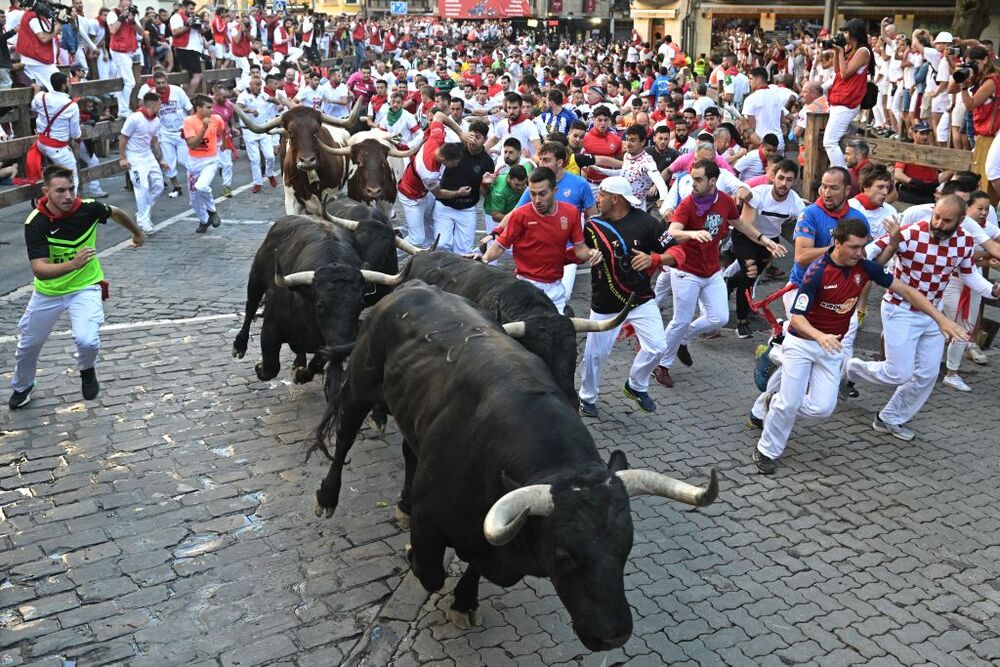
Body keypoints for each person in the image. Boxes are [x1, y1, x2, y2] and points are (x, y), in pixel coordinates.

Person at [748, 217, 967, 474]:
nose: (860, 253)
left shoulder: (866, 267)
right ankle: (766, 451)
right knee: (789, 404)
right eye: (854, 247)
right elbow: (796, 317)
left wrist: (940, 319)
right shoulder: (817, 271)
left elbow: (907, 291)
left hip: (832, 348)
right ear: (836, 244)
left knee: (822, 408)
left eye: (863, 246)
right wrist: (820, 336)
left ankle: (775, 400)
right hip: (803, 343)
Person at [847, 195, 1000, 442]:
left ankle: (890, 418)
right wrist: (867, 251)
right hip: (900, 310)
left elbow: (970, 276)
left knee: (927, 374)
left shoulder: (964, 242)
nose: (938, 224)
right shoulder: (910, 233)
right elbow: (871, 251)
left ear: (961, 220)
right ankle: (848, 369)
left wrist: (992, 290)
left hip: (932, 315)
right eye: (936, 216)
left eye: (946, 220)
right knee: (898, 372)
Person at [9, 165, 144, 410]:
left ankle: (87, 369)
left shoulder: (88, 208)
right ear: (45, 191)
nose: (68, 196)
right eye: (60, 190)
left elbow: (114, 212)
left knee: (87, 340)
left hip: (86, 287)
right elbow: (39, 269)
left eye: (71, 189)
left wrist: (137, 233)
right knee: (29, 343)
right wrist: (73, 264)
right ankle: (23, 385)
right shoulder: (36, 223)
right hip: (48, 292)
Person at [652, 160, 784, 388]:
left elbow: (739, 224)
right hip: (686, 271)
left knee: (719, 318)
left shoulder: (723, 200)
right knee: (680, 320)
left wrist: (765, 241)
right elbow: (674, 231)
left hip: (711, 270)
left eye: (698, 179)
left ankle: (683, 339)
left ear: (712, 181)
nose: (693, 183)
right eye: (692, 178)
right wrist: (693, 234)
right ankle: (661, 364)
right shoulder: (688, 204)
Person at [578, 176, 668, 416]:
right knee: (595, 356)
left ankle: (636, 385)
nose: (598, 199)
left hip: (640, 300)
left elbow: (676, 251)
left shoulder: (648, 223)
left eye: (602, 195)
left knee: (658, 346)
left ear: (615, 198)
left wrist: (655, 259)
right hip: (605, 304)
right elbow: (577, 250)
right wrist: (588, 253)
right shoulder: (592, 226)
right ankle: (587, 398)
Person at [479, 167, 594, 313]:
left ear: (554, 191)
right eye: (532, 194)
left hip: (555, 289)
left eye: (542, 194)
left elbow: (580, 250)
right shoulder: (520, 215)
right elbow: (501, 245)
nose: (537, 200)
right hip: (526, 288)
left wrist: (595, 253)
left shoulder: (571, 213)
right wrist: (484, 259)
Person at [733, 159, 804, 338]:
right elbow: (747, 225)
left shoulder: (796, 203)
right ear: (772, 177)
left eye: (789, 180)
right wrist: (766, 242)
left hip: (770, 240)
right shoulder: (758, 194)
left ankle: (730, 282)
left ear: (794, 181)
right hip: (745, 236)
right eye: (780, 178)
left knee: (751, 277)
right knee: (750, 273)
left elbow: (805, 225)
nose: (783, 183)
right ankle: (741, 321)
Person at [396, 111, 467, 249]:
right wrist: (458, 193)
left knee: (429, 229)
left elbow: (439, 115)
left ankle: (424, 253)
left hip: (423, 192)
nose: (455, 166)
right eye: (454, 163)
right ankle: (391, 256)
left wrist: (461, 133)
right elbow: (439, 194)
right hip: (411, 196)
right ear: (443, 159)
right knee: (417, 239)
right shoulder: (429, 172)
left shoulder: (436, 139)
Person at [433, 120, 493, 254]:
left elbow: (484, 193)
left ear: (485, 140)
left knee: (463, 251)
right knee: (442, 245)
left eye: (477, 137)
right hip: (444, 206)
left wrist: (484, 184)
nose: (472, 141)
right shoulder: (455, 149)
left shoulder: (487, 162)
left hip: (467, 209)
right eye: (471, 136)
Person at [824, 19, 872, 168]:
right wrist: (837, 51)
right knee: (836, 141)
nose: (844, 36)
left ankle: (841, 175)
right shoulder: (851, 50)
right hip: (840, 101)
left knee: (829, 142)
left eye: (846, 32)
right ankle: (837, 170)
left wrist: (839, 51)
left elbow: (845, 74)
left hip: (847, 102)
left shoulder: (863, 51)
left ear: (854, 33)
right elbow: (838, 70)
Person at [119, 92, 168, 233]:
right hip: (134, 157)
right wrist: (122, 158)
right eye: (159, 103)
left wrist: (161, 159)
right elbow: (123, 138)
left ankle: (142, 214)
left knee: (158, 186)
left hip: (148, 155)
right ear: (153, 104)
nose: (160, 106)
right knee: (143, 187)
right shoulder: (134, 118)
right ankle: (143, 219)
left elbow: (154, 141)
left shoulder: (156, 120)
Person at [30, 73, 81, 190]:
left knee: (56, 174)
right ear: (63, 86)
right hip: (57, 148)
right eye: (68, 82)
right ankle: (69, 205)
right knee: (72, 178)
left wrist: (36, 91)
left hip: (41, 143)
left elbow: (33, 106)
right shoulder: (71, 105)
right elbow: (75, 133)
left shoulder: (41, 96)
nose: (69, 84)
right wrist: (75, 139)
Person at [182, 94, 225, 233]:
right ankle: (204, 220)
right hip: (194, 163)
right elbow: (192, 145)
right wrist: (204, 128)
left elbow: (223, 129)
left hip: (210, 161)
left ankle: (212, 211)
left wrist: (223, 142)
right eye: (208, 107)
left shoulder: (216, 119)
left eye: (212, 107)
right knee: (194, 200)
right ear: (198, 108)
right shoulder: (188, 121)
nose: (211, 110)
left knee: (201, 186)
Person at [237, 77, 279, 194]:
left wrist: (277, 100)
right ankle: (257, 183)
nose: (259, 87)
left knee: (270, 156)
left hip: (263, 128)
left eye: (260, 85)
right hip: (249, 130)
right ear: (250, 85)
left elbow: (271, 99)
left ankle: (269, 174)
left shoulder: (262, 94)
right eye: (257, 84)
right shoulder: (243, 95)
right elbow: (238, 108)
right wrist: (250, 111)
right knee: (255, 159)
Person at [106, 0, 142, 118]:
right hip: (118, 50)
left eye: (129, 7)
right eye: (125, 7)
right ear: (120, 6)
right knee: (130, 82)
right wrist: (121, 18)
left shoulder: (133, 14)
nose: (127, 9)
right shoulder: (113, 14)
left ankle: (122, 109)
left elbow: (141, 33)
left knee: (121, 81)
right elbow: (112, 30)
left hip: (129, 51)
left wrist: (132, 21)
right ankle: (124, 109)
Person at [17, 2, 59, 91]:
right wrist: (57, 27)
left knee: (42, 91)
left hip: (37, 61)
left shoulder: (37, 16)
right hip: (37, 61)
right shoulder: (33, 17)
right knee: (60, 86)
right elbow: (44, 38)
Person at [170, 0, 205, 97]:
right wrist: (188, 25)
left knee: (187, 76)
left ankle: (185, 97)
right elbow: (175, 32)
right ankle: (188, 96)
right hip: (185, 48)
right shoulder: (176, 17)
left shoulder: (192, 17)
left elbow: (200, 31)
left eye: (193, 9)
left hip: (194, 49)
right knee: (197, 75)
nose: (192, 11)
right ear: (184, 8)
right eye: (190, 9)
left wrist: (202, 25)